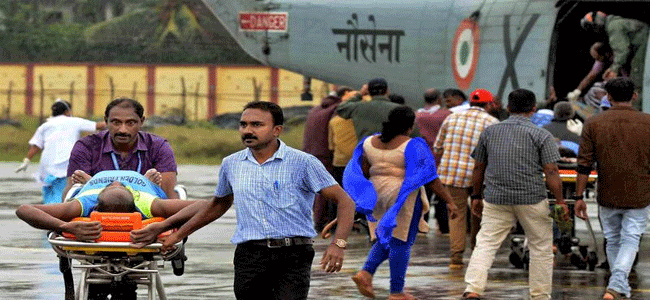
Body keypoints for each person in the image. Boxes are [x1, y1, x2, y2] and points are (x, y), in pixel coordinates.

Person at [130, 101, 356, 300]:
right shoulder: (231, 164)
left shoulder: (303, 162)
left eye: (257, 125)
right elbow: (217, 205)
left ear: (277, 130)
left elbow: (345, 201)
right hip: (250, 256)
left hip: (293, 255)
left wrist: (338, 244)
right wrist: (175, 233)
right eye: (244, 124)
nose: (248, 130)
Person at [15, 169, 199, 300]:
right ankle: (140, 178)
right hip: (126, 182)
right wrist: (163, 226)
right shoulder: (148, 204)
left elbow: (24, 209)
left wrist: (66, 226)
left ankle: (99, 179)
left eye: (116, 185)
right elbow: (203, 206)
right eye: (115, 185)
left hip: (108, 182)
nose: (117, 182)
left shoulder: (85, 203)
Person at [461, 89, 569, 300]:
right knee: (541, 247)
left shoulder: (490, 132)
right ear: (534, 109)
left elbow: (478, 167)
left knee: (486, 244)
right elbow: (551, 171)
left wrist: (476, 196)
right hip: (532, 198)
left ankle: (473, 289)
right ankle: (539, 295)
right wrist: (560, 201)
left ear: (508, 108)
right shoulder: (542, 135)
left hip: (496, 198)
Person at [345, 106, 459, 300]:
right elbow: (430, 178)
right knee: (401, 241)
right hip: (401, 196)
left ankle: (366, 273)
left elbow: (363, 170)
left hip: (375, 193)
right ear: (409, 126)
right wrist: (449, 201)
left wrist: (359, 198)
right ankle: (396, 291)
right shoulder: (413, 145)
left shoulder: (369, 142)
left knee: (386, 238)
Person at [574, 77, 650, 300]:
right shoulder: (648, 123)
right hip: (640, 192)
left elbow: (583, 164)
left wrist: (578, 196)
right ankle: (617, 284)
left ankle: (618, 285)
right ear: (634, 96)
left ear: (608, 97)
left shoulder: (593, 123)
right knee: (631, 238)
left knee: (613, 238)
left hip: (607, 192)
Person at [433, 88, 499, 269]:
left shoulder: (452, 118)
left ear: (470, 102)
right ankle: (477, 252)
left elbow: (437, 147)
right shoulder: (492, 122)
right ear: (488, 104)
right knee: (479, 212)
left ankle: (456, 256)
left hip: (452, 173)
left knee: (456, 213)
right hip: (481, 176)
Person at [62, 98, 179, 200]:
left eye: (130, 123)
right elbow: (71, 196)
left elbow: (168, 195)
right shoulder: (86, 146)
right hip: (96, 214)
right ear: (106, 121)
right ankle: (144, 184)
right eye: (116, 122)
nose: (122, 130)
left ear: (141, 122)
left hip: (147, 217)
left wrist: (93, 184)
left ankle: (93, 183)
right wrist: (144, 184)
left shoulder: (158, 146)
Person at [14, 99, 105, 204]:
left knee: (50, 191)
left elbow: (36, 146)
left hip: (47, 164)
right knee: (66, 191)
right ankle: (61, 212)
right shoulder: (74, 121)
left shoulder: (45, 125)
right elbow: (99, 126)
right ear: (67, 111)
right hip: (66, 163)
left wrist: (27, 160)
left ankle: (49, 212)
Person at [303, 86, 352, 231]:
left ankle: (318, 221)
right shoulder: (336, 110)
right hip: (326, 153)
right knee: (328, 190)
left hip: (310, 151)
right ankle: (322, 222)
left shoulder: (316, 109)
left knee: (317, 190)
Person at [581, 11, 648, 110]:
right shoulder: (615, 23)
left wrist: (614, 70)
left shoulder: (613, 27)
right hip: (642, 46)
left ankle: (636, 114)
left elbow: (622, 50)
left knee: (636, 84)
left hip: (643, 46)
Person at [415, 88, 452, 234]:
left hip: (421, 160)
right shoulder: (447, 115)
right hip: (441, 160)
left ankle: (419, 226)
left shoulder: (417, 115)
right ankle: (445, 227)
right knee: (443, 195)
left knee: (423, 196)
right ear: (439, 99)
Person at [336, 78, 401, 141]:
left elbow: (341, 108)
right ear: (387, 91)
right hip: (391, 150)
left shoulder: (358, 107)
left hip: (366, 149)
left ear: (368, 92)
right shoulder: (398, 109)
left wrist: (360, 94)